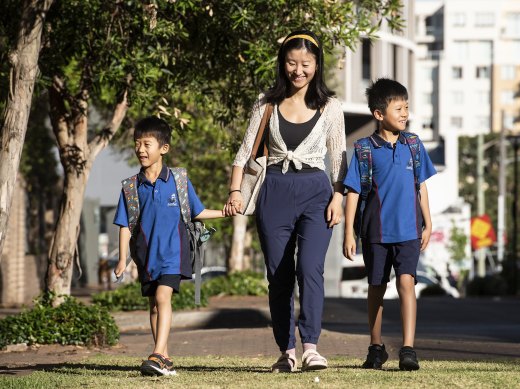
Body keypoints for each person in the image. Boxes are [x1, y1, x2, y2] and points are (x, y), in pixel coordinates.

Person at [224, 30, 347, 373]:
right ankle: (286, 351)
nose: (298, 70)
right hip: (274, 190)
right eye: (292, 63)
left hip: (316, 192)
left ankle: (311, 347)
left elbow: (338, 157)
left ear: (316, 65)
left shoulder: (330, 107)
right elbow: (245, 149)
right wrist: (235, 191)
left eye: (305, 64)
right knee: (279, 276)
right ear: (283, 64)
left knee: (310, 269)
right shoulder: (266, 102)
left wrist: (339, 196)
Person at [113, 116, 224, 376]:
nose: (140, 149)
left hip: (174, 254)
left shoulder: (180, 180)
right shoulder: (131, 187)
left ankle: (157, 354)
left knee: (163, 297)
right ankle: (165, 357)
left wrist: (225, 212)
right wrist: (122, 259)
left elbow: (197, 211)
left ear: (163, 148)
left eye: (147, 144)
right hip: (146, 257)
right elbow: (124, 225)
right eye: (137, 143)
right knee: (153, 304)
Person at [343, 78, 436, 371]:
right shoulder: (363, 149)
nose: (405, 113)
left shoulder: (414, 144)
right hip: (375, 233)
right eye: (399, 108)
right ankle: (376, 346)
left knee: (407, 282)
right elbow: (354, 193)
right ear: (379, 114)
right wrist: (348, 233)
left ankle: (408, 349)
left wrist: (429, 222)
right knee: (376, 287)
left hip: (409, 230)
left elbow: (420, 185)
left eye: (406, 107)